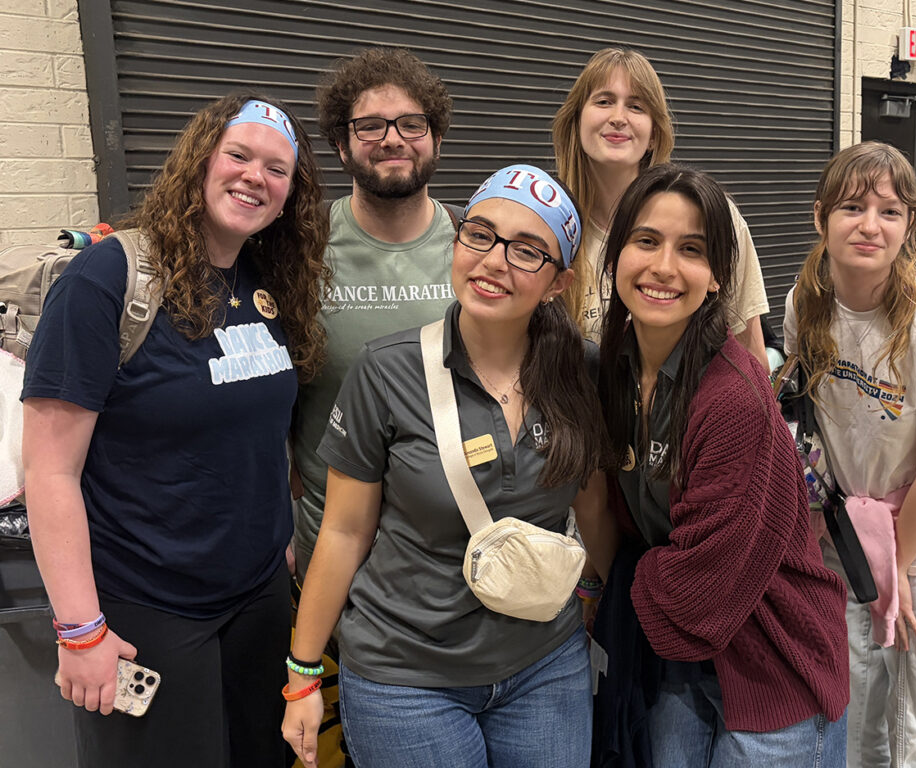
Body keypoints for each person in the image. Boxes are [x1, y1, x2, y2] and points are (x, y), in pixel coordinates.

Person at [21, 92, 328, 767]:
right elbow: (48, 470)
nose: (256, 177)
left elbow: (259, 427)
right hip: (147, 611)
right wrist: (80, 631)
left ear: (290, 197)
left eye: (278, 170)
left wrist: (277, 542)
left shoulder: (269, 279)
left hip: (257, 602)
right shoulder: (109, 279)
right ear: (199, 162)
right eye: (239, 156)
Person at [281, 165, 617, 768]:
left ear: (560, 281)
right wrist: (304, 674)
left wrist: (595, 591)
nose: (494, 260)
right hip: (405, 676)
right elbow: (343, 531)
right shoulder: (386, 372)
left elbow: (592, 503)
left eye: (527, 251)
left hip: (545, 665)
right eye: (480, 235)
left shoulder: (582, 372)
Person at [597, 163, 849, 766]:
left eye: (691, 249)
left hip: (774, 670)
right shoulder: (616, 366)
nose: (663, 267)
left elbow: (701, 595)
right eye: (646, 240)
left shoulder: (732, 395)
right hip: (680, 668)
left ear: (716, 279)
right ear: (615, 255)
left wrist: (618, 587)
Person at [784, 141, 916, 768]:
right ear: (821, 216)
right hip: (852, 540)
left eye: (889, 210)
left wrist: (896, 567)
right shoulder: (806, 305)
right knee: (857, 732)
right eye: (853, 206)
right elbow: (809, 426)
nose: (869, 225)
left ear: (910, 226)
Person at [292, 46, 458, 580]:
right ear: (341, 145)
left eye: (412, 123)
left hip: (455, 551)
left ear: (436, 138)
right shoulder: (297, 246)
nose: (392, 139)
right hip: (331, 551)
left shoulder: (477, 244)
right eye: (369, 126)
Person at [552, 47, 770, 369]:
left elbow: (751, 354)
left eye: (636, 106)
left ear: (654, 134)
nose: (618, 117)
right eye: (604, 101)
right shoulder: (551, 226)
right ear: (577, 121)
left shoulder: (712, 215)